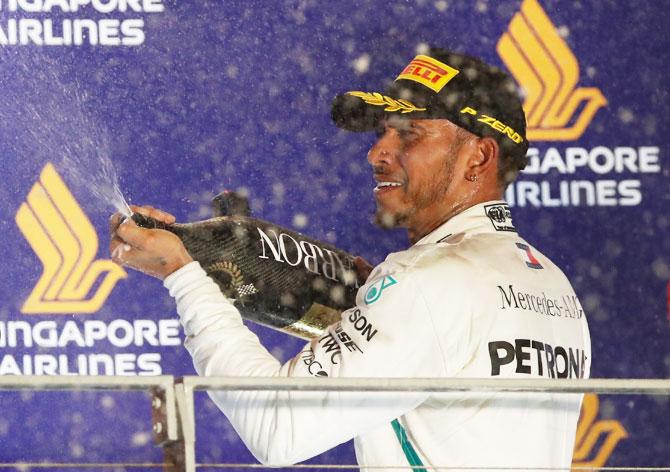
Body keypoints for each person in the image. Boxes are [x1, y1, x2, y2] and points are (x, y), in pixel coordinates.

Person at [110, 48, 591, 470]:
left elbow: (278, 427)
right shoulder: (551, 285)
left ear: (479, 158)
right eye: (383, 133)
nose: (378, 153)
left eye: (410, 134)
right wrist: (213, 263)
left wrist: (185, 279)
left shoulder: (429, 282)